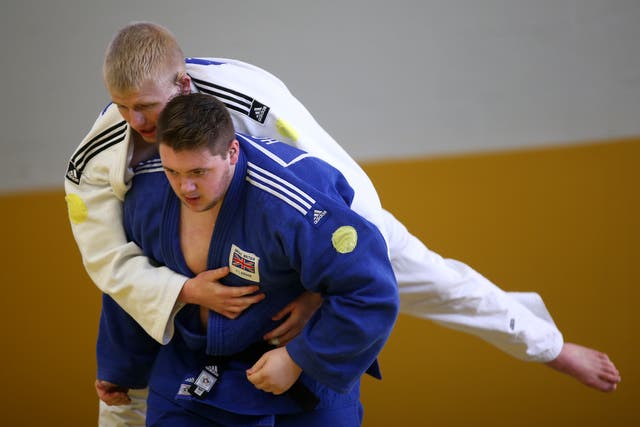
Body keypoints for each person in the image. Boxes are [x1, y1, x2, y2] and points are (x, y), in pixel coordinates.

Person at [63, 20, 619, 425]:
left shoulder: (250, 97)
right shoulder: (97, 159)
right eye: (121, 106)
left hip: (312, 231)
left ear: (183, 85)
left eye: (147, 108)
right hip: (196, 268)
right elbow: (110, 263)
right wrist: (182, 289)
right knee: (120, 392)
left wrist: (321, 294)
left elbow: (338, 182)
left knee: (436, 280)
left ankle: (550, 346)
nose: (137, 123)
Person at [97, 92, 399, 426]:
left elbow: (371, 290)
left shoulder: (292, 200)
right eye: (173, 171)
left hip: (302, 363)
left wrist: (299, 358)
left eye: (199, 171)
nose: (186, 187)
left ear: (232, 152)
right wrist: (120, 366)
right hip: (191, 366)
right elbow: (129, 279)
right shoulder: (147, 191)